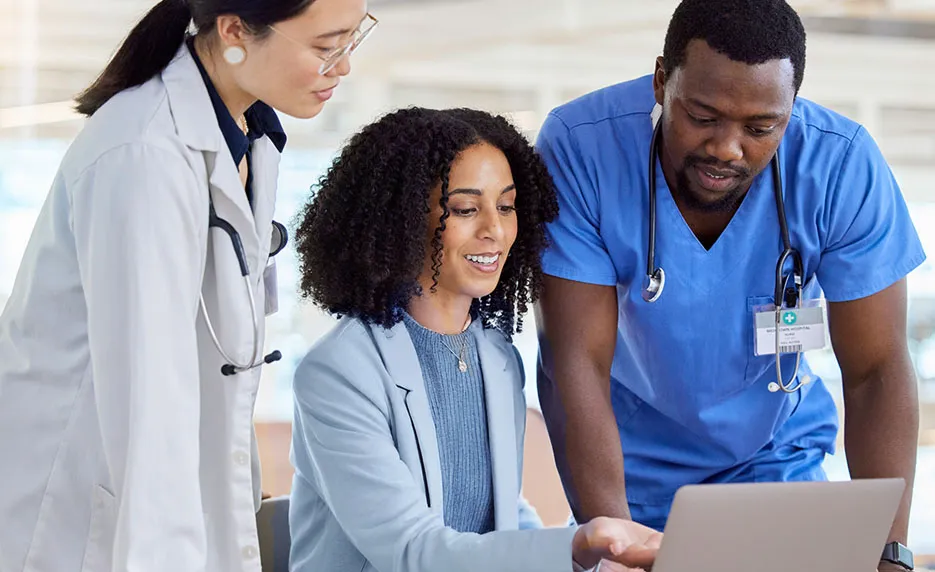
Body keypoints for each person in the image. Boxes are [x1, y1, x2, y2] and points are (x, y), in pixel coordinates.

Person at [533, 1, 922, 571]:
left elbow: (877, 370)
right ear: (662, 80)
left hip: (775, 464)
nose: (727, 148)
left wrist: (891, 554)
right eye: (703, 115)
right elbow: (574, 363)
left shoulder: (839, 166)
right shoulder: (582, 147)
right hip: (628, 474)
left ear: (792, 110)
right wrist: (615, 544)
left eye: (761, 127)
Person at [0, 0, 375, 570]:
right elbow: (149, 402)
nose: (344, 67)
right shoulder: (143, 152)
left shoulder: (247, 133)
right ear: (233, 32)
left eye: (353, 40)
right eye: (327, 47)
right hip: (79, 516)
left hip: (171, 501)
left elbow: (220, 362)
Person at [288, 107, 663, 572]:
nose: (495, 230)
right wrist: (575, 546)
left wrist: (597, 557)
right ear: (402, 221)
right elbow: (413, 552)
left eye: (506, 206)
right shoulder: (339, 372)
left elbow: (499, 525)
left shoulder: (497, 357)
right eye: (466, 209)